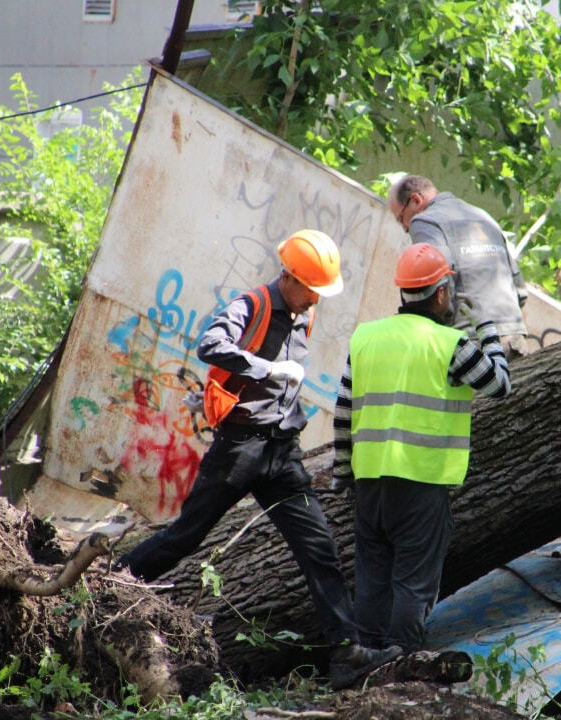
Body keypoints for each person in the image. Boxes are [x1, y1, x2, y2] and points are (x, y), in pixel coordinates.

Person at [117, 229, 399, 689]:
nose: (316, 300)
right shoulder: (253, 304)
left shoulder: (304, 313)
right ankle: (106, 583)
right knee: (183, 539)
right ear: (290, 276)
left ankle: (347, 652)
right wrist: (266, 368)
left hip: (281, 453)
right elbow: (210, 344)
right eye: (313, 289)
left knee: (319, 549)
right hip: (239, 450)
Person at [331, 242, 512, 652]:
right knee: (412, 587)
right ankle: (401, 668)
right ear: (443, 294)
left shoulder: (366, 338)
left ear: (402, 291)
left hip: (369, 486)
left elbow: (342, 411)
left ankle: (367, 662)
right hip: (421, 488)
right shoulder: (451, 345)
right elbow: (501, 384)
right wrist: (486, 328)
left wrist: (343, 474)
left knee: (372, 583)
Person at [388, 175, 530, 359]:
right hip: (515, 339)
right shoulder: (483, 216)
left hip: (473, 341)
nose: (405, 228)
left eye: (401, 219)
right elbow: (520, 290)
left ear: (416, 200)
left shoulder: (425, 221)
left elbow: (439, 280)